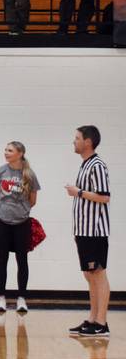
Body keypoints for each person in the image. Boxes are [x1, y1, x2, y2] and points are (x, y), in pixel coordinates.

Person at [65, 125, 110, 337]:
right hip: (83, 230)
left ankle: (102, 322)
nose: (74, 141)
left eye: (77, 138)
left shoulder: (97, 165)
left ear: (88, 142)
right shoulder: (85, 164)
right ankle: (92, 319)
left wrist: (78, 192)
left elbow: (104, 197)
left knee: (98, 274)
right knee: (89, 274)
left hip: (95, 231)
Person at [0, 141, 40, 313]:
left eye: (10, 150)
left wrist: (20, 210)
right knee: (1, 259)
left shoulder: (29, 175)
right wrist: (7, 209)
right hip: (1, 221)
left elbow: (33, 200)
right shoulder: (0, 171)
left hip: (22, 223)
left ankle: (21, 298)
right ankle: (1, 298)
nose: (6, 152)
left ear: (20, 153)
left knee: (22, 260)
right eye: (5, 149)